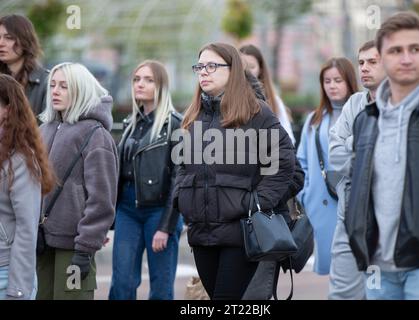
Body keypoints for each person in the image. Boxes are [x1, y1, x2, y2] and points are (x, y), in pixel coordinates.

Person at [172, 42, 298, 300]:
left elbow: (284, 164)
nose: (203, 72)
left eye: (212, 66)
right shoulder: (193, 116)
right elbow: (182, 166)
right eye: (199, 66)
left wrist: (256, 203)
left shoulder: (256, 112)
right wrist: (182, 199)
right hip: (202, 233)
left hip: (240, 231)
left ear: (233, 70)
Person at [346, 11, 419, 300]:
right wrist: (356, 231)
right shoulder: (366, 119)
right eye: (395, 50)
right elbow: (357, 185)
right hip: (378, 266)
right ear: (381, 56)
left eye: (414, 49)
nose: (406, 58)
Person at [37, 62, 118, 300]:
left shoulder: (96, 135)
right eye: (52, 85)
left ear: (80, 89)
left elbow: (102, 200)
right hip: (41, 244)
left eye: (64, 86)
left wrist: (85, 247)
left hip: (74, 247)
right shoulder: (44, 130)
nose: (55, 91)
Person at [108, 60, 183, 300]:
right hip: (128, 210)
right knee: (122, 283)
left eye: (149, 80)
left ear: (161, 85)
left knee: (161, 287)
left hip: (159, 210)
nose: (140, 84)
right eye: (137, 79)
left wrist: (166, 226)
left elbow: (178, 179)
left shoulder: (176, 125)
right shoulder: (131, 123)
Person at [328, 40, 386, 299]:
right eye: (361, 62)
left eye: (372, 62)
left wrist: (355, 143)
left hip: (389, 216)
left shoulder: (402, 105)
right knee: (342, 292)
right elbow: (335, 154)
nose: (364, 68)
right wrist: (364, 149)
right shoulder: (354, 104)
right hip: (351, 213)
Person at [297, 57, 357, 275]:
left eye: (338, 80)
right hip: (321, 202)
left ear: (350, 82)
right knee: (333, 270)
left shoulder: (362, 113)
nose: (332, 86)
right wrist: (305, 195)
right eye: (327, 81)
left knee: (358, 267)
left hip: (353, 200)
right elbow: (301, 160)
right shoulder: (314, 119)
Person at [0, 74, 55, 300]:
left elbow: (26, 227)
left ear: (8, 110)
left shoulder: (21, 160)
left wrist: (19, 289)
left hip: (7, 274)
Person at [240, 44, 296, 145]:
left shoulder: (273, 100)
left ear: (260, 69)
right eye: (242, 67)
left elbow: (288, 139)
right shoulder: (227, 99)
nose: (246, 72)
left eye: (252, 67)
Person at [0, 14, 48, 116]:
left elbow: (49, 128)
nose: (1, 43)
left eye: (9, 38)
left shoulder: (47, 82)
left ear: (24, 41)